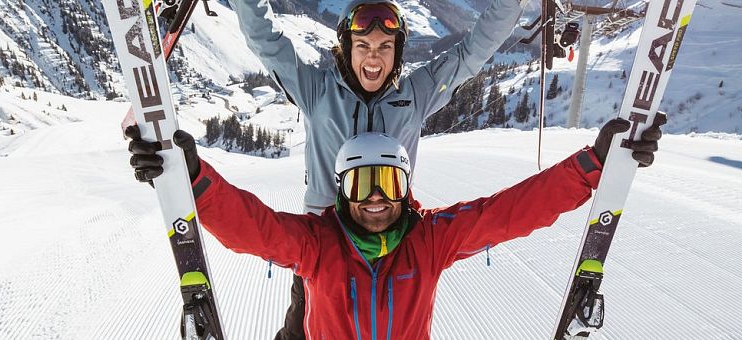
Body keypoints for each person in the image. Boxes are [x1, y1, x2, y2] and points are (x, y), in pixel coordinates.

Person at [126, 113, 666, 339]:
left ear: (407, 186)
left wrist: (591, 168)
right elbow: (256, 228)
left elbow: (506, 212)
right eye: (363, 184)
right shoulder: (319, 245)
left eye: (389, 182)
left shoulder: (429, 239)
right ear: (341, 190)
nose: (378, 198)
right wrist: (194, 179)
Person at [219, 1, 530, 337]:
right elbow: (265, 40)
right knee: (300, 328)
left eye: (385, 46)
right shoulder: (317, 91)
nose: (373, 57)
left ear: (397, 52)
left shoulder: (415, 94)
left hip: (392, 241)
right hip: (325, 245)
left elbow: (473, 52)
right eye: (363, 45)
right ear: (346, 48)